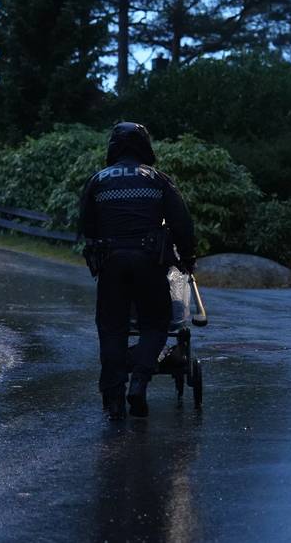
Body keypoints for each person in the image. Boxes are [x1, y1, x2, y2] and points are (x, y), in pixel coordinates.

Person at [78, 122, 195, 420]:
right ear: (144, 146)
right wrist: (187, 258)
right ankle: (140, 383)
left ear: (114, 147)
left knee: (112, 328)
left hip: (111, 263)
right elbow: (182, 223)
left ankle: (114, 398)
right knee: (155, 324)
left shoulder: (98, 180)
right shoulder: (158, 179)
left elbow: (86, 226)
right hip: (150, 261)